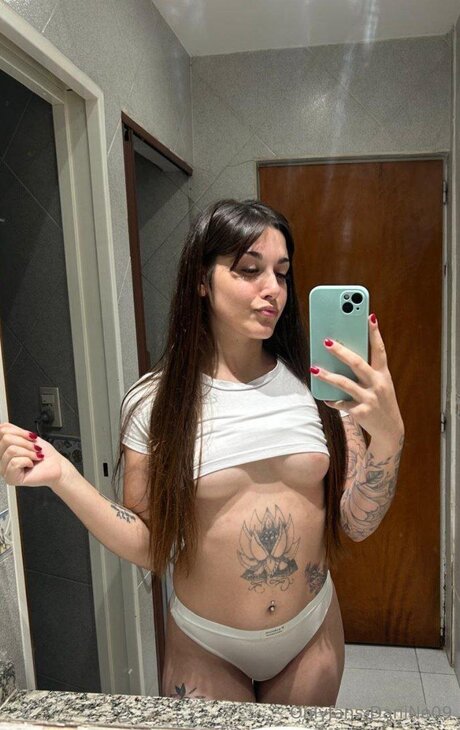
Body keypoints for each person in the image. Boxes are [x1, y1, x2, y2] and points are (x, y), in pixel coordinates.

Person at [0, 199, 404, 707]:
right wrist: (64, 476)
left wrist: (389, 437)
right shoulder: (155, 403)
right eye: (249, 270)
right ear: (201, 280)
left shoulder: (320, 389)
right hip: (207, 644)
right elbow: (152, 546)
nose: (273, 289)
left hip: (310, 631)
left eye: (281, 273)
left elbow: (357, 523)